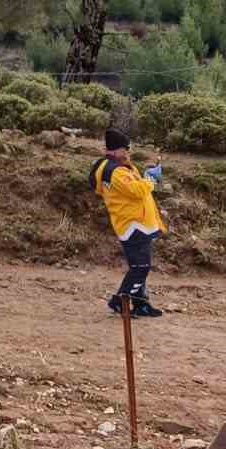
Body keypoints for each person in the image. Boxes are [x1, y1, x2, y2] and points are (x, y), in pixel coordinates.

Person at [90, 127, 166, 317]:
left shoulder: (120, 167)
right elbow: (137, 191)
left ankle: (141, 305)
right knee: (141, 267)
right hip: (133, 226)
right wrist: (150, 178)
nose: (128, 152)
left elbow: (134, 186)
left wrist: (145, 176)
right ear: (116, 150)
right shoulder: (115, 171)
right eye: (126, 149)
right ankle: (119, 302)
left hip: (139, 224)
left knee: (139, 267)